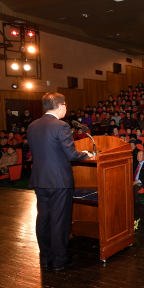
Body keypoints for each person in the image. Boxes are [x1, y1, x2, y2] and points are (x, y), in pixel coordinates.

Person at [28, 93, 92, 271]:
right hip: (58, 181)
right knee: (59, 220)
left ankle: (45, 257)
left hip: (40, 179)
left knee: (43, 218)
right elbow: (71, 154)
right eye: (65, 104)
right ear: (59, 105)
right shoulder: (61, 126)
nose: (66, 107)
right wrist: (86, 154)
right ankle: (60, 259)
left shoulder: (32, 126)